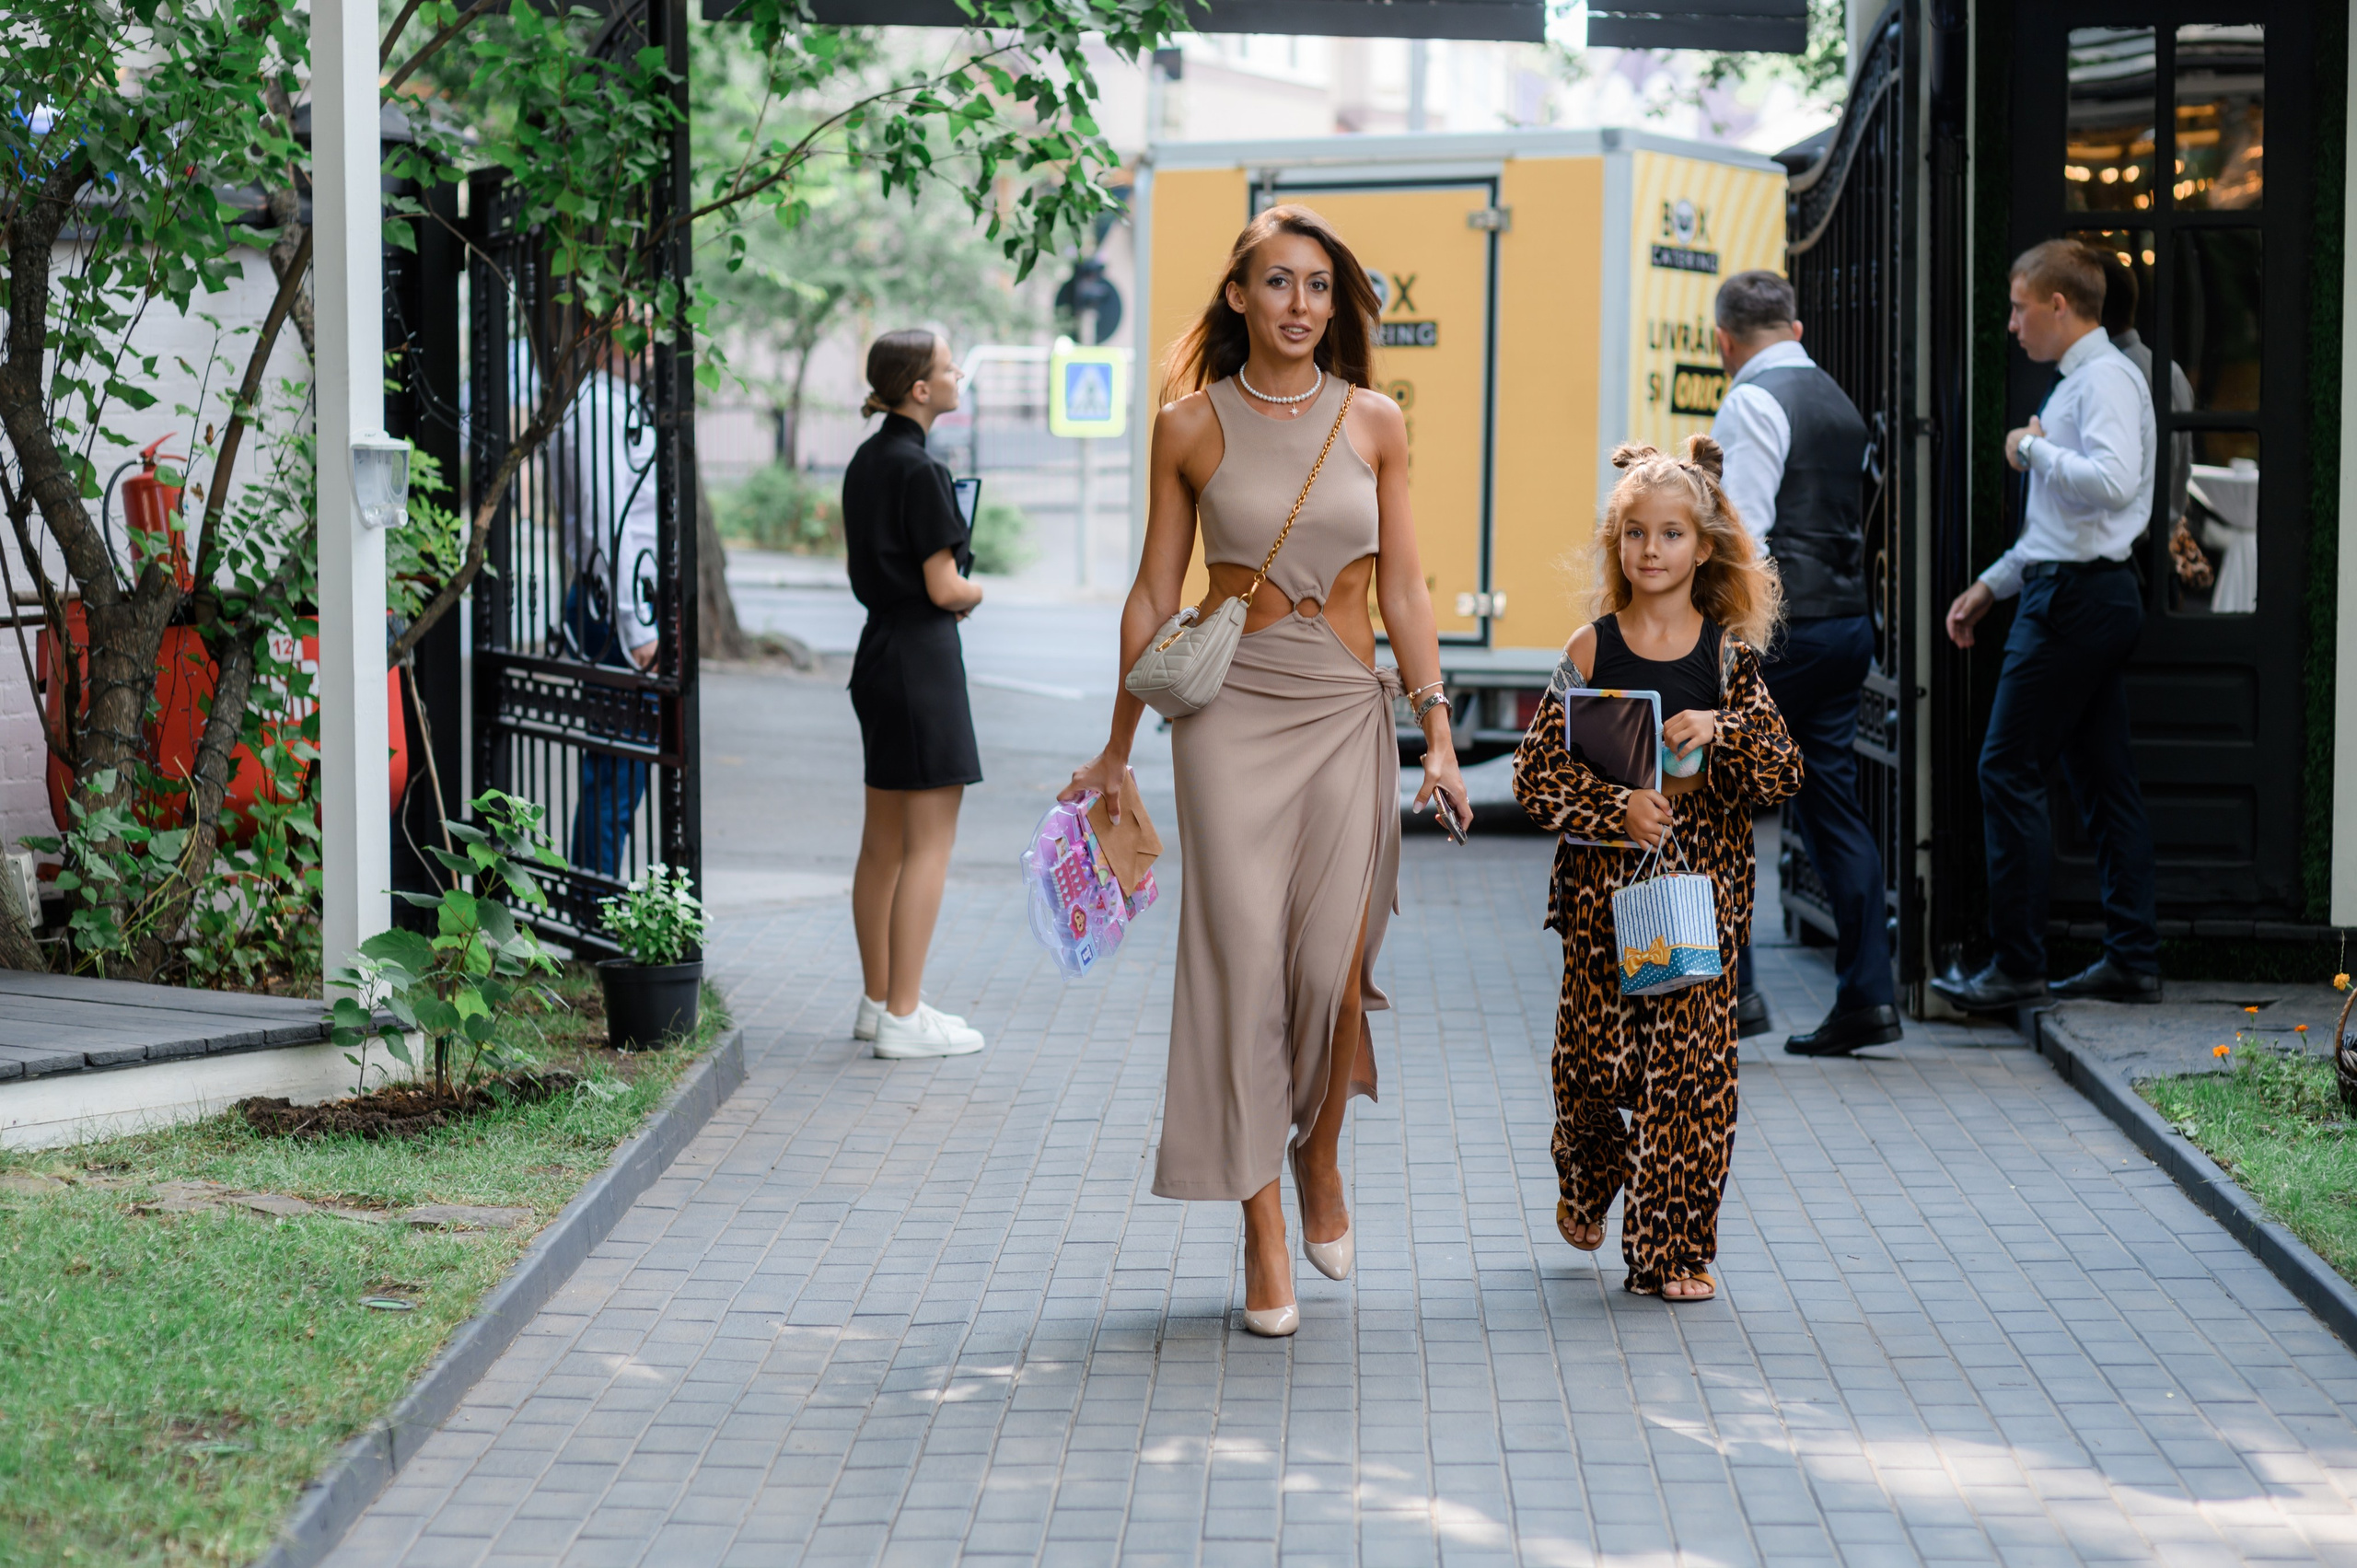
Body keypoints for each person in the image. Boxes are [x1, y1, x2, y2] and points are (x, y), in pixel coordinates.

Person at [1061, 205, 1470, 1338]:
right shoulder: (1188, 425)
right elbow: (1154, 591)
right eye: (1279, 283)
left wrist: (1435, 733)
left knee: (1330, 976)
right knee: (1240, 969)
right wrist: (1116, 742)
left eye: (1320, 288)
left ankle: (1320, 1151)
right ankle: (1260, 1229)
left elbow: (1407, 593)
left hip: (1344, 708)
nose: (1301, 304)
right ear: (1238, 296)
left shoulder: (1374, 420)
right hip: (1227, 718)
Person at [1512, 438, 1802, 1302]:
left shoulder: (1727, 662)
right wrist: (1616, 809)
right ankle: (1588, 1168)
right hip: (1605, 907)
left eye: (1670, 534)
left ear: (1701, 548)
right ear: (1618, 544)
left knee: (1690, 1080)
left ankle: (1671, 1251)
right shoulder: (1591, 651)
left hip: (1696, 906)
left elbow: (1784, 769)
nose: (1651, 550)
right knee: (1592, 1073)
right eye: (1635, 533)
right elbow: (1534, 773)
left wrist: (1724, 732)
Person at [1934, 240, 2163, 1010]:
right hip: (2079, 593)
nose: (2012, 323)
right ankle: (2132, 956)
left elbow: (2112, 483)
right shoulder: (2091, 381)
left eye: (2019, 305)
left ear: (2059, 305)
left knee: (2006, 767)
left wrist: (2031, 448)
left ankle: (2018, 966)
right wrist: (1991, 588)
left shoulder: (2100, 381)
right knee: (2103, 782)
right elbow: (2057, 531)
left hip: (2075, 602)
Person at [1708, 269, 1899, 1058]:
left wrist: (1715, 638)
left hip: (1779, 630)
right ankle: (1868, 998)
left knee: (1714, 796)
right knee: (1830, 807)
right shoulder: (1837, 399)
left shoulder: (1750, 401)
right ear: (1794, 325)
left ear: (1725, 341)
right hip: (1846, 624)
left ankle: (1735, 990)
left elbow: (1743, 532)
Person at [842, 330, 990, 1060]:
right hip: (923, 663)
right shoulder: (923, 470)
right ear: (921, 389)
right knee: (929, 845)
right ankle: (905, 1015)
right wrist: (977, 588)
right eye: (947, 366)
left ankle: (880, 1003)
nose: (958, 373)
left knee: (882, 846)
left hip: (878, 654)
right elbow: (944, 587)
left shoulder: (867, 460)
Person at [558, 334, 660, 877]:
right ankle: (593, 913)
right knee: (617, 770)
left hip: (622, 601)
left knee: (623, 769)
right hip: (616, 608)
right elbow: (605, 525)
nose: (650, 340)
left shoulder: (613, 402)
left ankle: (592, 908)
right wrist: (634, 625)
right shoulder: (601, 407)